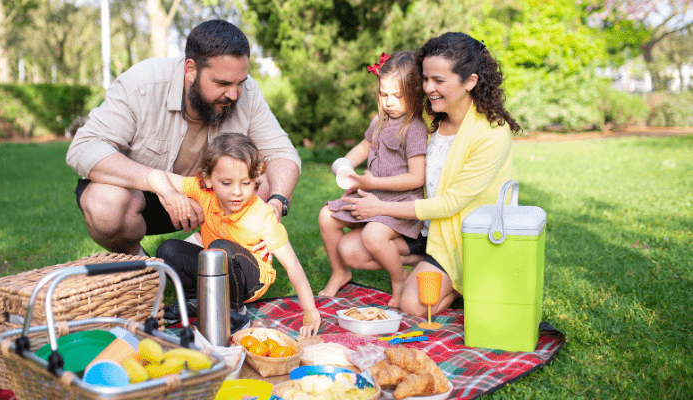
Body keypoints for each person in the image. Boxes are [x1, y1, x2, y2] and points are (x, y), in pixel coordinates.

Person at [66, 20, 300, 257]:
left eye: (240, 83)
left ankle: (203, 254)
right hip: (144, 196)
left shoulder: (247, 93)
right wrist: (156, 181)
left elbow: (282, 153)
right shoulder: (142, 83)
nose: (233, 94)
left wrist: (277, 201)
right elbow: (84, 148)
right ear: (191, 69)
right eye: (222, 83)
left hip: (212, 197)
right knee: (104, 204)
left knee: (269, 177)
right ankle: (142, 264)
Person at [334, 32, 521, 317]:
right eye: (425, 78)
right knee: (349, 249)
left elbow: (449, 204)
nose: (428, 88)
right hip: (428, 231)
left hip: (462, 240)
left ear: (469, 82)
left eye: (438, 81)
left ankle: (463, 283)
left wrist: (379, 206)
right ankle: (424, 263)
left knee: (412, 305)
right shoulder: (433, 119)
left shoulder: (491, 135)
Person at [148, 133, 321, 338]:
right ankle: (195, 299)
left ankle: (235, 312)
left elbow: (293, 265)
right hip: (218, 267)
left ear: (256, 180)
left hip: (249, 281)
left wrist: (310, 311)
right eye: (227, 183)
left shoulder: (261, 215)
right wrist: (169, 193)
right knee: (168, 249)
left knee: (222, 248)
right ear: (209, 180)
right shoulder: (203, 191)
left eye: (246, 183)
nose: (237, 192)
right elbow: (155, 176)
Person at [317, 51, 428, 307]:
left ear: (415, 93)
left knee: (374, 236)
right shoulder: (380, 120)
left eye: (397, 96)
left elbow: (416, 177)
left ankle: (399, 279)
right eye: (383, 94)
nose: (389, 102)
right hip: (371, 193)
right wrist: (346, 165)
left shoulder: (414, 128)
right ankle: (340, 272)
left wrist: (373, 183)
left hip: (399, 202)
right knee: (326, 216)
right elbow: (365, 146)